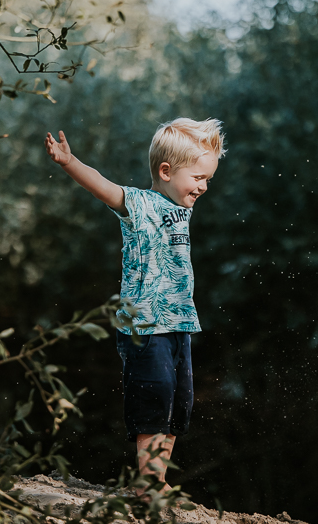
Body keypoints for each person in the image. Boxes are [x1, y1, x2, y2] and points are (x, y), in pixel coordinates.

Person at [45, 117, 226, 494]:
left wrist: (192, 178)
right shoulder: (139, 204)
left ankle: (158, 480)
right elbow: (103, 188)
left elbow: (186, 190)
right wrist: (70, 163)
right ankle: (147, 481)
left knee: (178, 401)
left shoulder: (183, 206)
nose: (204, 187)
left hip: (179, 322)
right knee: (154, 395)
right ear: (165, 171)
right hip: (143, 325)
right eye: (198, 178)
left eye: (208, 178)